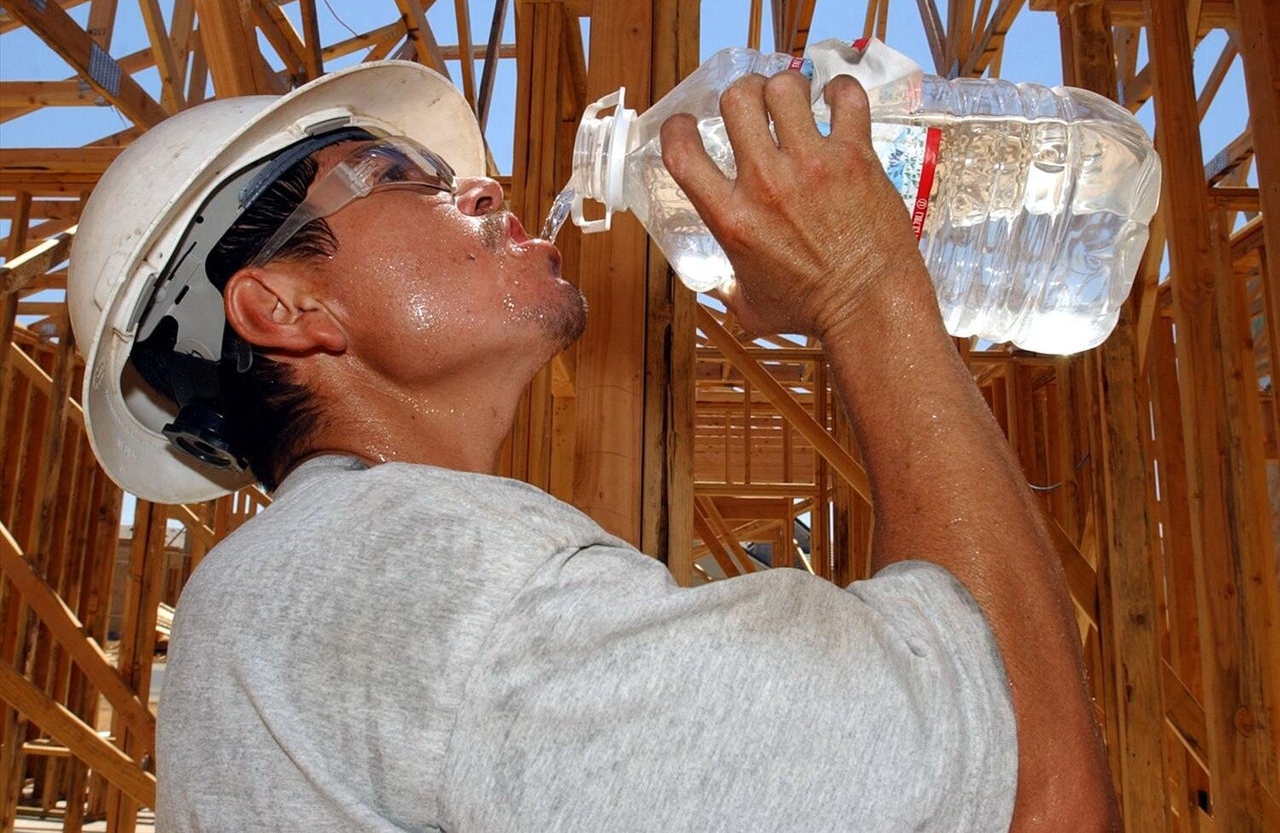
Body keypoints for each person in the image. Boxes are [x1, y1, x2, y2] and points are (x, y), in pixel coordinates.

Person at [67, 60, 1118, 831]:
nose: (480, 186)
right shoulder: (414, 571)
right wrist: (866, 284)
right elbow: (1035, 792)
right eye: (392, 170)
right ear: (284, 307)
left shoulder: (283, 593)